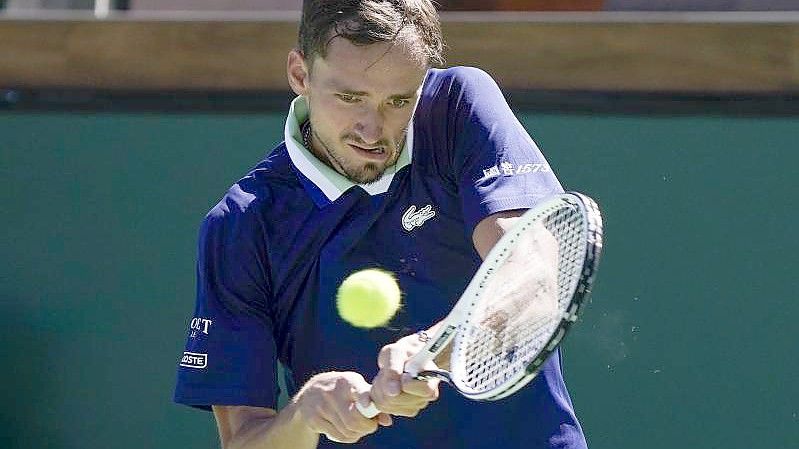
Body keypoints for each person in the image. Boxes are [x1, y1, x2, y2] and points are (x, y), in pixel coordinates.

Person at [173, 1, 588, 448]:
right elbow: (244, 441)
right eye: (350, 98)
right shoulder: (243, 224)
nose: (372, 130)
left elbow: (536, 279)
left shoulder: (456, 107)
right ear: (300, 75)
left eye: (398, 100)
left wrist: (436, 348)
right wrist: (305, 414)